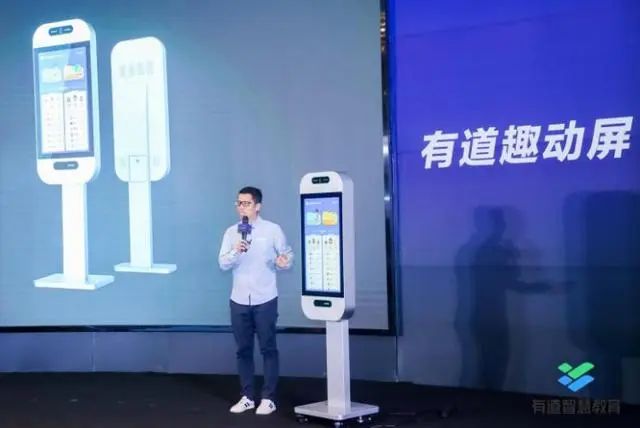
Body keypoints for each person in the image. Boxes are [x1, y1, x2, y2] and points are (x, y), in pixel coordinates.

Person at [218, 186, 293, 415]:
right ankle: (247, 396)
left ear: (257, 206)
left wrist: (283, 262)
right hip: (239, 299)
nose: (241, 207)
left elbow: (287, 255)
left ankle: (268, 398)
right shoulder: (232, 232)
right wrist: (235, 251)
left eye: (246, 203)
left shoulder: (272, 230)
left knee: (268, 348)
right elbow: (222, 263)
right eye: (238, 203)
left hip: (265, 298)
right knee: (243, 350)